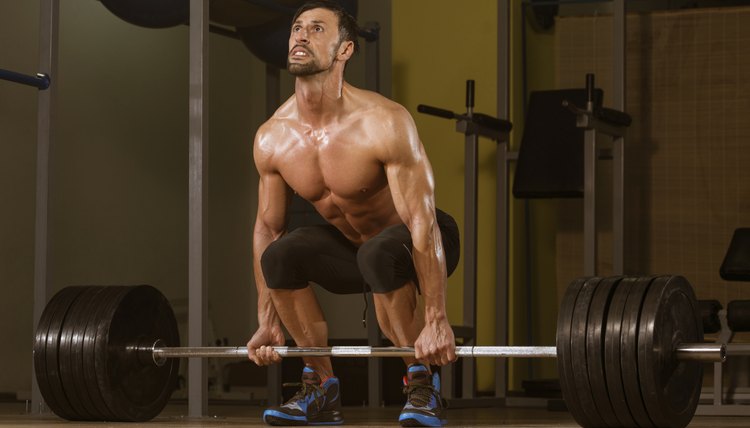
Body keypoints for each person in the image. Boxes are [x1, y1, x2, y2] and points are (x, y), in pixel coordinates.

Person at [246, 1, 460, 426]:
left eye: (318, 29)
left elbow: (421, 221)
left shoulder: (383, 122)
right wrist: (266, 319)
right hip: (352, 248)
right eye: (297, 28)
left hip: (419, 239)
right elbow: (267, 229)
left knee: (378, 254)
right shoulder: (273, 137)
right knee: (280, 255)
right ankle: (320, 386)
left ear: (345, 50)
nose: (301, 36)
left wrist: (437, 318)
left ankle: (422, 384)